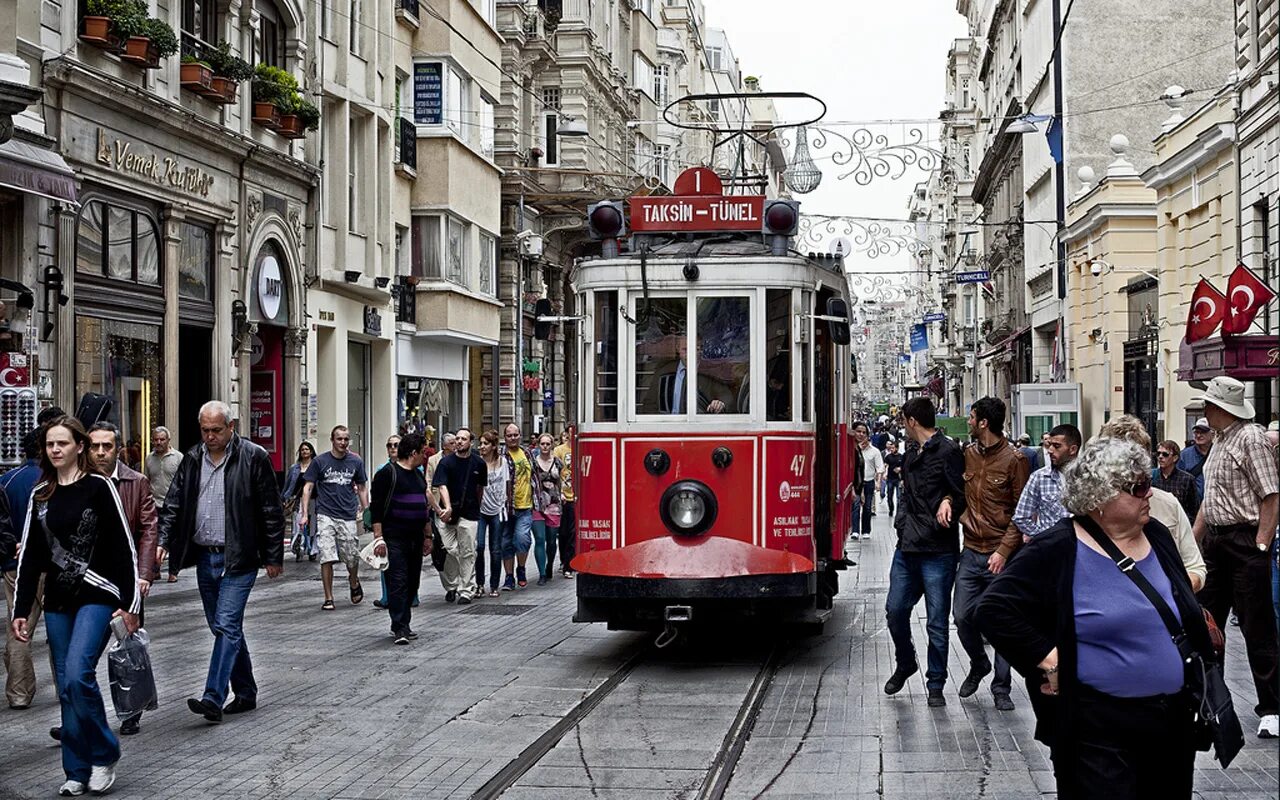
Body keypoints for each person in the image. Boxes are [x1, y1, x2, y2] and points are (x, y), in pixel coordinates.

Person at [977, 436, 1211, 799]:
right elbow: (993, 609)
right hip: (1095, 727)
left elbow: (1179, 602)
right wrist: (1050, 660)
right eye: (1138, 486)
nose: (1149, 492)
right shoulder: (1058, 546)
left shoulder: (1158, 535)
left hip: (1171, 721)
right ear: (1099, 497)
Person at [12, 417, 139, 796]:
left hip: (98, 597)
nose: (55, 450)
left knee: (77, 676)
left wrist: (131, 603)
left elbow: (123, 546)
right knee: (66, 690)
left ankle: (104, 753)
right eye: (49, 444)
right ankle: (75, 770)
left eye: (62, 443)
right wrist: (20, 611)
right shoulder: (40, 494)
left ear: (79, 447)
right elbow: (30, 558)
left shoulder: (98, 487)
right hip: (58, 600)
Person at [157, 401, 284, 725]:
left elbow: (271, 509)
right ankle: (245, 691)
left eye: (216, 430)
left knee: (226, 625)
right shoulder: (193, 459)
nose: (210, 436)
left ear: (231, 427)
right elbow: (173, 504)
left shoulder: (253, 456)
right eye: (205, 430)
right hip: (205, 557)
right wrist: (162, 543)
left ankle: (213, 696)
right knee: (224, 628)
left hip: (238, 557)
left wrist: (273, 556)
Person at [1190, 376, 1279, 738]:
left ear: (1221, 408)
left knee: (1257, 627)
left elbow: (1272, 495)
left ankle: (1272, 707)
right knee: (1206, 623)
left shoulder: (1252, 439)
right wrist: (1192, 542)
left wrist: (1261, 544)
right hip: (1217, 540)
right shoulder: (1220, 441)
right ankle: (1211, 700)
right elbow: (1211, 502)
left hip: (1244, 540)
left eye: (1208, 405)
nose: (1204, 410)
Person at [885, 397, 965, 707]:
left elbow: (962, 494)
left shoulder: (948, 452)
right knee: (895, 611)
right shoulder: (910, 454)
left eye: (904, 420)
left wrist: (949, 501)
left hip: (937, 549)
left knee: (936, 621)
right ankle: (906, 662)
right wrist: (901, 523)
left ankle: (935, 683)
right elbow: (907, 493)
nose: (903, 425)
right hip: (907, 548)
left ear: (912, 421)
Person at [954, 398, 1029, 710]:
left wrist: (1004, 550)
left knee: (1003, 621)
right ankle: (978, 663)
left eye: (972, 418)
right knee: (962, 615)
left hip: (1003, 554)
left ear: (983, 422)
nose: (968, 422)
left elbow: (1021, 513)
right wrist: (948, 501)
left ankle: (1002, 688)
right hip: (971, 550)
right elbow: (956, 490)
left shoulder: (1015, 459)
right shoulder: (967, 454)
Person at [87, 422, 157, 736]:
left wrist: (143, 576)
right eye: (95, 446)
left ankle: (131, 711)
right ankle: (76, 714)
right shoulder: (75, 482)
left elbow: (148, 530)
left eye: (107, 446)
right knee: (79, 655)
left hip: (125, 581)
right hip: (86, 582)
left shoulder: (136, 482)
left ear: (119, 449)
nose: (101, 452)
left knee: (127, 649)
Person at [1098, 415, 1206, 592]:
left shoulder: (1167, 504)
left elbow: (1194, 567)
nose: (1146, 494)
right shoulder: (1086, 516)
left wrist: (1171, 594)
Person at [2, 419, 52, 711]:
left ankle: (19, 694)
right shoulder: (56, 478)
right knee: (60, 632)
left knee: (19, 628)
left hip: (16, 566)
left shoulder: (7, 481)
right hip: (56, 565)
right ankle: (66, 692)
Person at [369, 433, 431, 644]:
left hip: (415, 537)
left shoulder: (418, 475)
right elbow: (376, 507)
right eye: (423, 452)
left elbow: (425, 507)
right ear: (413, 453)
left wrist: (428, 535)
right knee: (398, 580)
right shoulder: (388, 474)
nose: (425, 456)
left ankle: (405, 621)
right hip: (394, 537)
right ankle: (399, 626)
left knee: (412, 582)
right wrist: (378, 537)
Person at [300, 425, 369, 610]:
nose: (343, 443)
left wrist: (367, 511)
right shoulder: (320, 461)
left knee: (351, 556)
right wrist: (305, 514)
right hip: (325, 514)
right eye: (339, 439)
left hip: (348, 515)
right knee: (327, 555)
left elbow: (362, 487)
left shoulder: (356, 462)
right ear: (332, 440)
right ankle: (328, 598)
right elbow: (308, 487)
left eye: (346, 439)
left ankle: (353, 581)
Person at [433, 427, 486, 604]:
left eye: (464, 439)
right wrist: (446, 507)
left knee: (468, 551)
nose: (460, 442)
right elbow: (441, 486)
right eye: (457, 439)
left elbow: (480, 488)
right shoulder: (446, 463)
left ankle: (466, 590)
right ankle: (452, 584)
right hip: (448, 514)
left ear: (471, 442)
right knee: (450, 549)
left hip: (470, 514)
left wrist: (476, 507)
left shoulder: (479, 463)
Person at [1012, 424, 1081, 540]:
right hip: (1052, 551)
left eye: (1056, 446)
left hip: (1083, 550)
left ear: (1073, 449)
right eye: (1049, 445)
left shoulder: (1087, 477)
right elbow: (1021, 517)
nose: (1050, 450)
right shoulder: (1039, 477)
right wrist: (1044, 537)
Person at [143, 426, 182, 583]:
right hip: (155, 504)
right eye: (156, 439)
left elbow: (183, 482)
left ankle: (173, 571)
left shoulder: (178, 458)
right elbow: (146, 480)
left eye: (162, 439)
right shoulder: (149, 458)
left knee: (173, 540)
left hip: (173, 505)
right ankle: (156, 570)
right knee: (155, 539)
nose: (158, 442)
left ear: (168, 440)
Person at [477, 430, 509, 597]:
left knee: (496, 549)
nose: (481, 446)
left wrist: (508, 505)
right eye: (480, 443)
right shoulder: (477, 463)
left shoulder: (503, 462)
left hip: (498, 509)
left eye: (485, 443)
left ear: (493, 446)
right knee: (479, 546)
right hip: (480, 510)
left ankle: (494, 584)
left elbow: (508, 484)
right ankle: (480, 584)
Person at [503, 424, 535, 587]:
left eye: (516, 435)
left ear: (520, 435)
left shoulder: (527, 453)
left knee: (522, 539)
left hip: (525, 505)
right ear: (505, 437)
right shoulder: (501, 456)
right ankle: (509, 577)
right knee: (506, 542)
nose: (513, 438)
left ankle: (521, 568)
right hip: (507, 507)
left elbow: (535, 476)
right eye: (509, 435)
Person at [531, 433, 564, 586]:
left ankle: (549, 564)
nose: (544, 447)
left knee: (551, 541)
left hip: (554, 504)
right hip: (537, 503)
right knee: (539, 539)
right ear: (538, 445)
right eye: (542, 444)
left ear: (551, 445)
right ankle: (542, 573)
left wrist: (563, 495)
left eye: (547, 444)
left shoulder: (557, 462)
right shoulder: (533, 462)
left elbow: (559, 482)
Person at [281, 442, 317, 562]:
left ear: (311, 451)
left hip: (314, 500)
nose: (305, 452)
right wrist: (284, 498)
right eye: (302, 450)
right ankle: (299, 549)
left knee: (313, 526)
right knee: (298, 525)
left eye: (307, 449)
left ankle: (312, 550)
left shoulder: (316, 466)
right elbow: (288, 484)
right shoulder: (294, 468)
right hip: (298, 500)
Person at [1152, 438, 1200, 524]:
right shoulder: (1151, 476)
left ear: (1175, 458)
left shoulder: (1187, 479)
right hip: (1156, 525)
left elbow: (1193, 510)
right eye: (1158, 453)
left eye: (1165, 454)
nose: (1160, 457)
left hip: (1178, 525)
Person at [852, 422, 884, 538]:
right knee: (855, 506)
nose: (861, 435)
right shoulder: (853, 450)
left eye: (864, 433)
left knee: (867, 506)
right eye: (858, 431)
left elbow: (880, 468)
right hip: (856, 483)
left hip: (869, 482)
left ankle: (866, 530)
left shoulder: (874, 451)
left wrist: (878, 482)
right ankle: (855, 530)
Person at [552, 426, 576, 578]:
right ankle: (563, 560)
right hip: (563, 496)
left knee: (573, 532)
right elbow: (555, 472)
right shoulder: (559, 450)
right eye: (571, 432)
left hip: (575, 496)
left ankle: (569, 563)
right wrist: (559, 492)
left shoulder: (581, 448)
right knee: (563, 532)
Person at [1178, 417, 1214, 499]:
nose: (1198, 435)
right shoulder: (1184, 455)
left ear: (1212, 434)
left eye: (1203, 432)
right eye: (1196, 432)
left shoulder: (1218, 453)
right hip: (1191, 505)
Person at [883, 440, 904, 517]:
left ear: (897, 448)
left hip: (898, 479)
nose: (891, 449)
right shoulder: (888, 457)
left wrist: (900, 469)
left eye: (893, 448)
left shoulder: (901, 457)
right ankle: (891, 509)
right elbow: (885, 465)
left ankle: (898, 512)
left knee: (899, 497)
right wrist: (884, 474)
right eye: (890, 448)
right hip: (890, 479)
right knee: (889, 496)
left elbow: (904, 467)